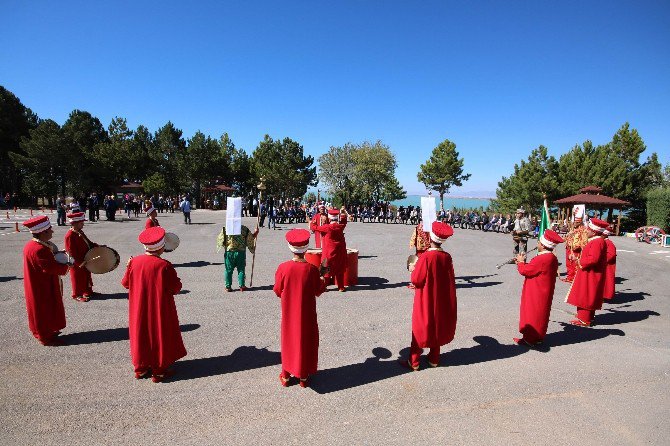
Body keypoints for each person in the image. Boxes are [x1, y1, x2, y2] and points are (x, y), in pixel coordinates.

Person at [121, 227, 186, 382]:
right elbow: (176, 288)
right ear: (162, 247)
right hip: (159, 307)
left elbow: (125, 283)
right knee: (159, 333)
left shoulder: (134, 262)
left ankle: (142, 368)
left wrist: (128, 266)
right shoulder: (164, 265)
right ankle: (159, 370)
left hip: (139, 306)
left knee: (141, 333)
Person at [399, 221, 457, 370]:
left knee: (420, 327)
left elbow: (416, 280)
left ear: (430, 238)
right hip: (440, 297)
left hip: (425, 297)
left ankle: (414, 361)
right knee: (436, 324)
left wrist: (413, 268)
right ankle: (434, 359)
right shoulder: (447, 257)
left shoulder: (426, 257)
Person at [273, 229, 327, 388]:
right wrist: (324, 274)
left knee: (289, 341)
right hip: (306, 313)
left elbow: (277, 290)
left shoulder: (283, 268)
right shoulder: (311, 270)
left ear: (290, 247)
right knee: (305, 341)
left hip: (290, 312)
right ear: (306, 249)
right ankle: (303, 377)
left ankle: (286, 376)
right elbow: (319, 290)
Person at [22, 215, 71, 345]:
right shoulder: (39, 249)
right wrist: (68, 265)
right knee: (44, 309)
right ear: (43, 232)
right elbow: (51, 268)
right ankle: (45, 337)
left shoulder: (33, 245)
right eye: (49, 229)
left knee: (45, 309)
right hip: (42, 285)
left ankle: (48, 331)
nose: (52, 231)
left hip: (39, 283)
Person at [513, 230, 564, 347]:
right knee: (541, 313)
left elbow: (526, 271)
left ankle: (529, 339)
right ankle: (538, 337)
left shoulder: (541, 258)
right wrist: (522, 263)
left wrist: (520, 263)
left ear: (543, 245)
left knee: (532, 313)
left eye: (539, 243)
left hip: (535, 291)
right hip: (544, 291)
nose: (537, 245)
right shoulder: (552, 257)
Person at [566, 218, 609, 326]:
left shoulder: (597, 242)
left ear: (594, 232)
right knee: (589, 294)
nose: (586, 231)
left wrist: (578, 260)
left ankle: (584, 319)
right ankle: (586, 316)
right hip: (590, 272)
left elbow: (593, 259)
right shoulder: (596, 241)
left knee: (586, 295)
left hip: (590, 274)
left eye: (588, 229)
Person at [64, 211, 98, 302]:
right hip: (77, 262)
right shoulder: (70, 235)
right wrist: (79, 262)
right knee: (77, 278)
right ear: (75, 223)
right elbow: (70, 252)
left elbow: (88, 243)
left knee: (86, 276)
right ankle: (77, 295)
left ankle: (88, 291)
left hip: (85, 258)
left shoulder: (79, 231)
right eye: (81, 223)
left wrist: (97, 247)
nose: (83, 224)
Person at [217, 223, 259, 292]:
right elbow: (250, 238)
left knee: (228, 270)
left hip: (229, 252)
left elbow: (220, 240)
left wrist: (226, 245)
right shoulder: (244, 229)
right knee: (241, 269)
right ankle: (242, 285)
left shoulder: (225, 228)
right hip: (240, 252)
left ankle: (228, 287)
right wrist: (256, 233)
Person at [314, 209, 348, 292]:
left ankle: (324, 286)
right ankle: (341, 287)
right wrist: (343, 214)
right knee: (339, 269)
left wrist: (313, 222)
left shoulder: (326, 227)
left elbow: (315, 228)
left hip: (329, 251)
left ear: (329, 218)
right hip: (339, 251)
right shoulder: (341, 226)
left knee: (325, 269)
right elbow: (344, 221)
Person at [563, 212, 589, 282]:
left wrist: (579, 246)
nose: (575, 223)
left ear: (580, 222)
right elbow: (566, 237)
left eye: (577, 222)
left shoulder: (584, 230)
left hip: (577, 249)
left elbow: (585, 241)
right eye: (574, 221)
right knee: (569, 263)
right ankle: (570, 276)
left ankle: (575, 278)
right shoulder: (572, 229)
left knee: (575, 264)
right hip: (569, 248)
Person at [408, 219, 431, 289]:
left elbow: (413, 238)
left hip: (419, 249)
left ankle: (417, 280)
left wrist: (413, 244)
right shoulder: (429, 227)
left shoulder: (418, 227)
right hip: (427, 249)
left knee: (418, 264)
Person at [602, 226, 617, 301]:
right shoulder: (603, 242)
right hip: (603, 265)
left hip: (607, 266)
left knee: (606, 281)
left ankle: (604, 296)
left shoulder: (609, 243)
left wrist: (601, 259)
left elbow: (611, 255)